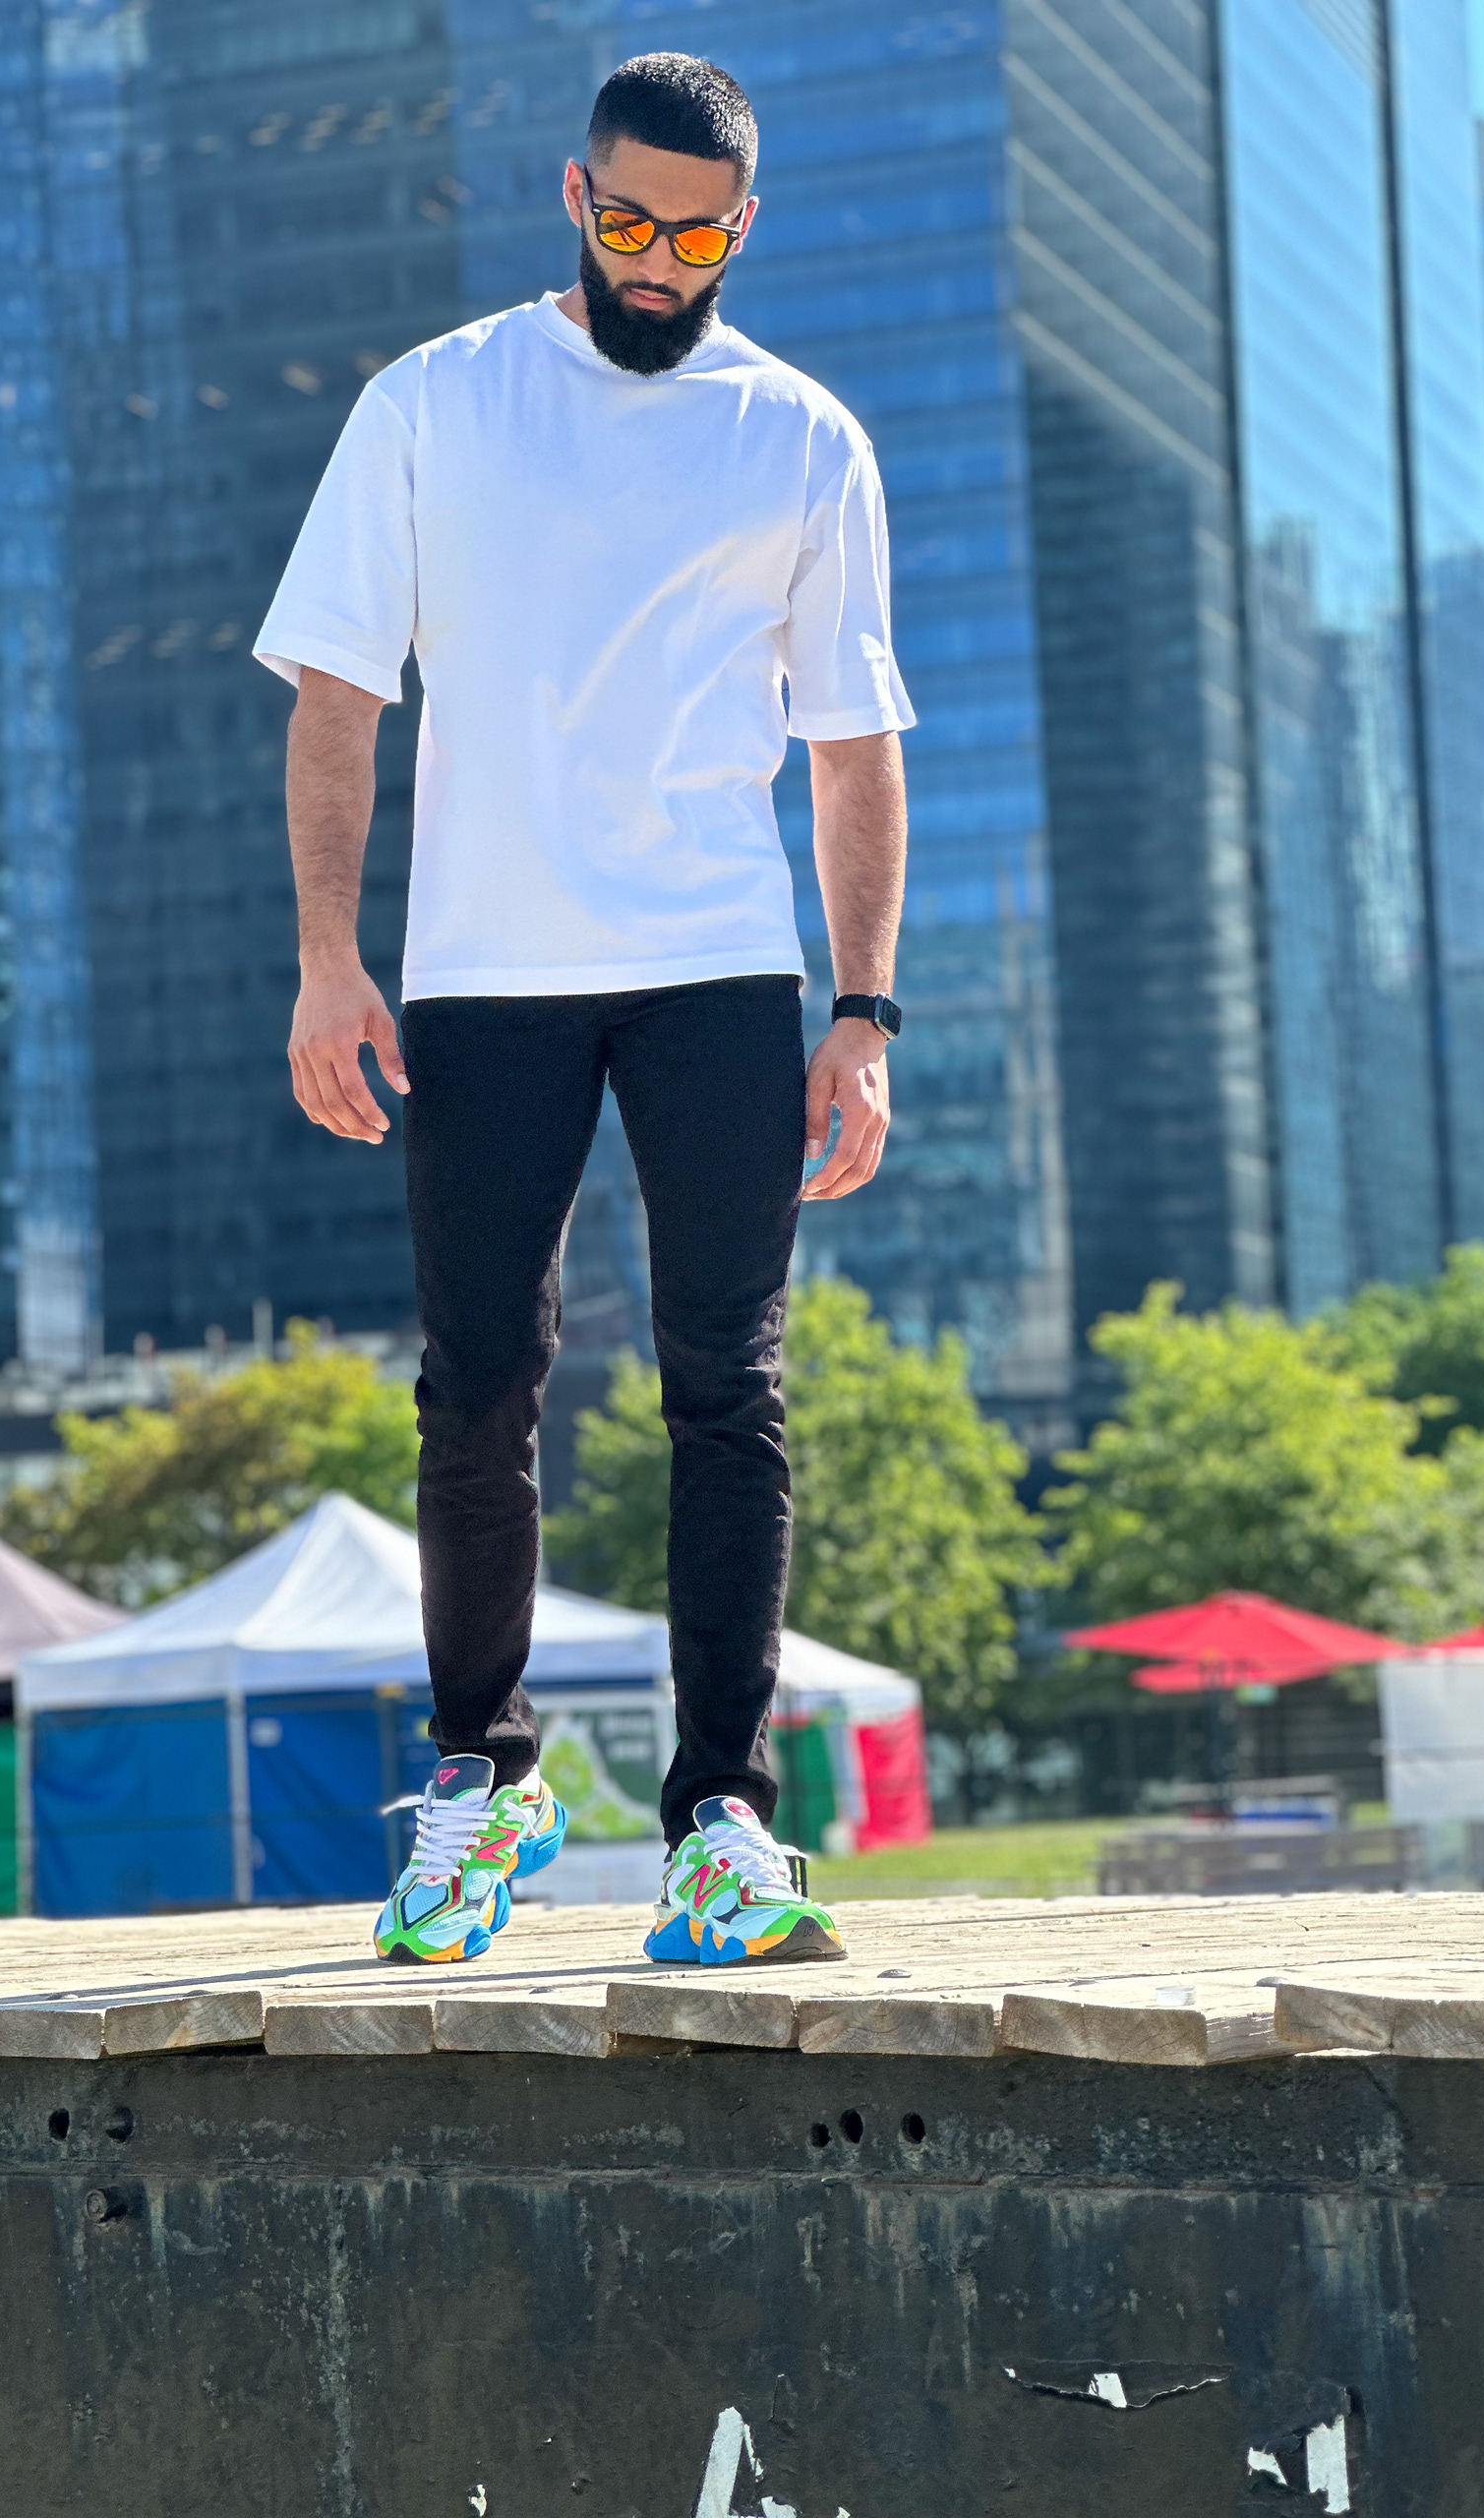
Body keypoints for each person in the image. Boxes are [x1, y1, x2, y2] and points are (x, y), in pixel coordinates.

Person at [254, 52, 911, 1967]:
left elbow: (854, 753)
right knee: (479, 1384)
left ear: (742, 228)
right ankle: (486, 1778)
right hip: (482, 971)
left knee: (730, 1385)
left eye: (694, 230)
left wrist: (862, 1008)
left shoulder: (802, 438)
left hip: (718, 963)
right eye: (627, 218)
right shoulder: (433, 405)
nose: (657, 256)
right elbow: (336, 701)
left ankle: (722, 1815)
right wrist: (326, 954)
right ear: (573, 195)